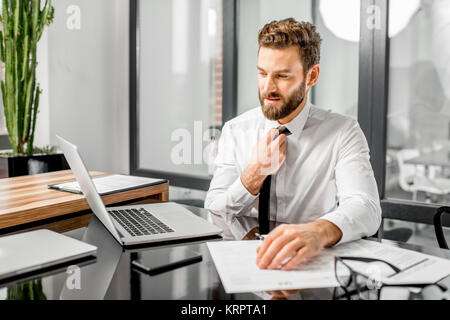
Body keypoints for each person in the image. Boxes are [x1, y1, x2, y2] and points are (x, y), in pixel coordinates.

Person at [204, 18, 381, 271]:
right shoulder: (236, 129)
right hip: (246, 265)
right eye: (262, 73)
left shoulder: (343, 132)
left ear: (312, 76)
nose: (268, 87)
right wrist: (252, 178)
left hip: (311, 266)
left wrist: (319, 231)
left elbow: (366, 207)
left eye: (282, 76)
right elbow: (215, 210)